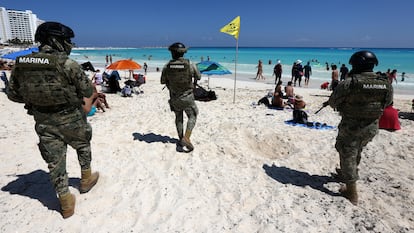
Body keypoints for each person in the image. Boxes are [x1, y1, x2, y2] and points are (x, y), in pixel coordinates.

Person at [6, 22, 99, 218]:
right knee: (82, 145)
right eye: (67, 41)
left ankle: (65, 201)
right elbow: (87, 91)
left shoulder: (21, 64)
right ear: (55, 40)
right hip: (71, 117)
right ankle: (86, 179)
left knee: (54, 160)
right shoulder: (66, 63)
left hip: (43, 119)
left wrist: (35, 99)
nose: (69, 45)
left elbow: (13, 94)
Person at [324, 50, 392, 205]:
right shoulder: (384, 82)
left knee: (347, 152)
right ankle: (347, 173)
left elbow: (334, 102)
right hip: (372, 126)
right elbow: (387, 103)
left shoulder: (351, 82)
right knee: (356, 150)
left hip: (351, 126)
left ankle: (351, 192)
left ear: (356, 64)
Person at [161, 42, 201, 152]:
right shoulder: (190, 64)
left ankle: (180, 139)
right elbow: (199, 76)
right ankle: (187, 138)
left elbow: (162, 81)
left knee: (178, 118)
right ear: (183, 53)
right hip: (188, 97)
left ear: (172, 53)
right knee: (193, 116)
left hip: (174, 97)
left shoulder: (167, 66)